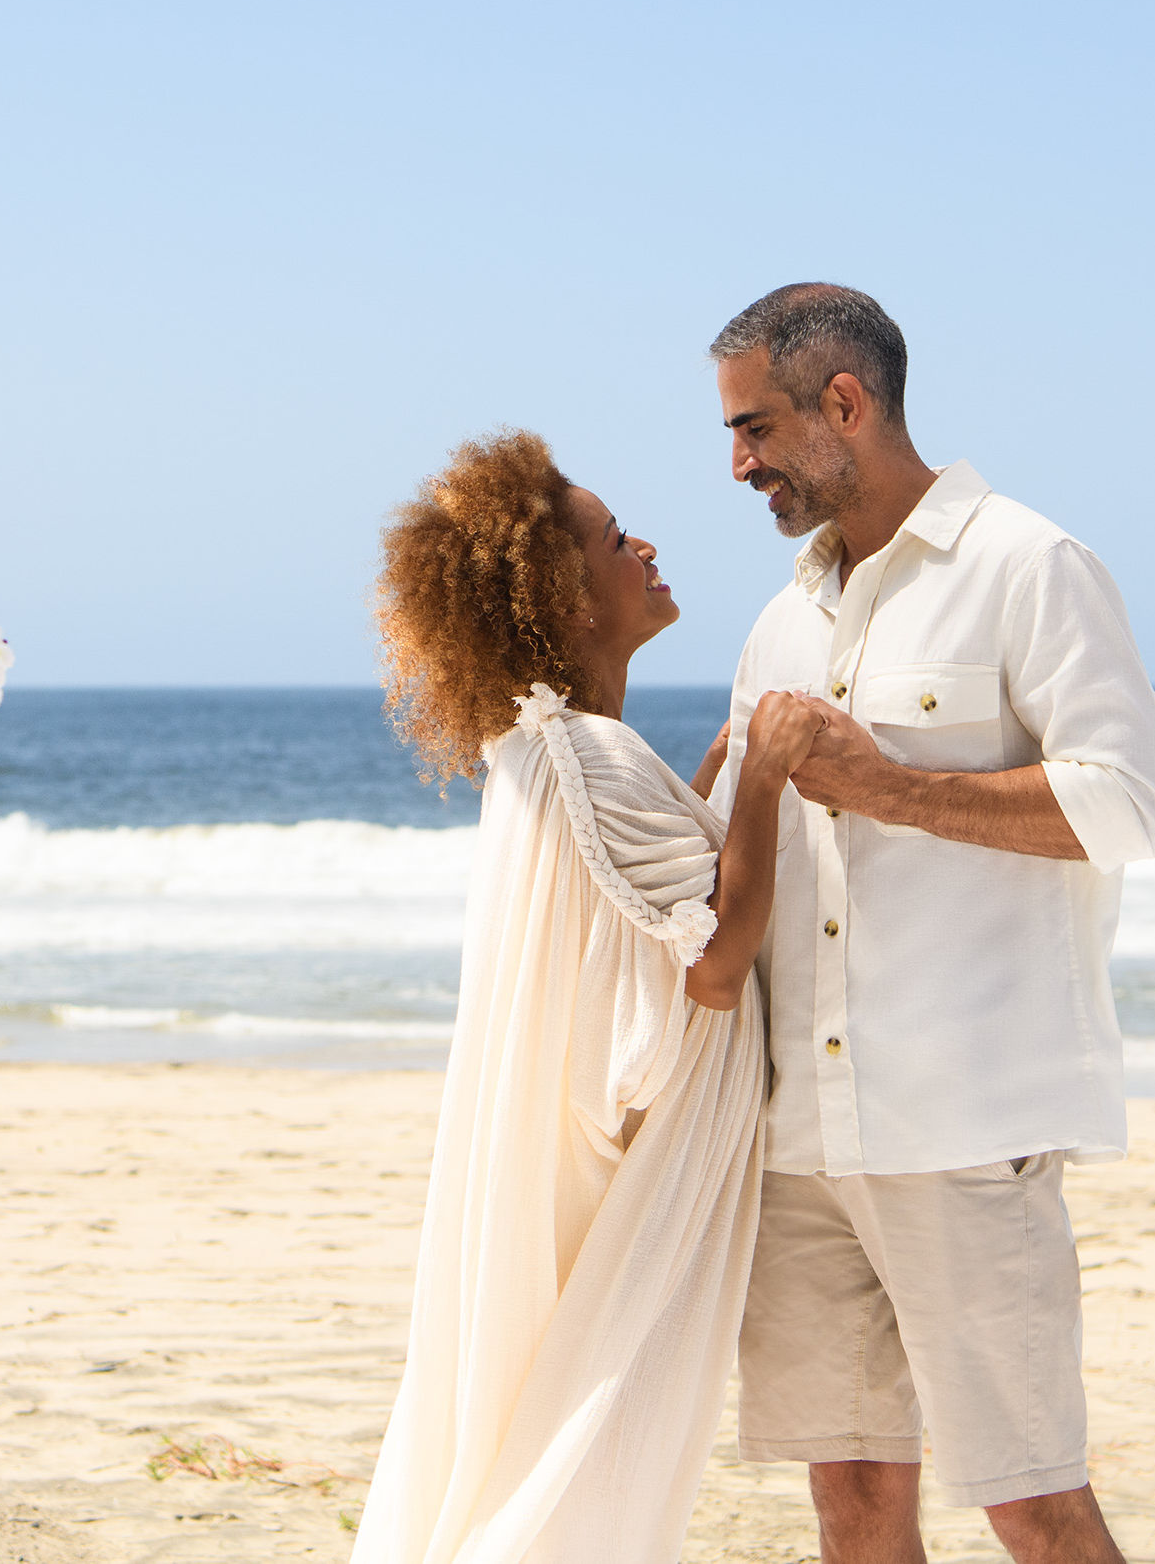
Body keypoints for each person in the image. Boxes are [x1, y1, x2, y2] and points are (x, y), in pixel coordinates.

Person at [705, 283, 1155, 1564]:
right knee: (851, 1504)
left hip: (965, 1131)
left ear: (843, 401)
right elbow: (748, 852)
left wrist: (890, 785)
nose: (736, 462)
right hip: (804, 1139)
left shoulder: (1031, 565)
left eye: (753, 427)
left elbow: (1128, 806)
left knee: (1033, 1501)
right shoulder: (780, 620)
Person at [350, 428, 823, 1564]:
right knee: (605, 1455)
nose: (645, 545)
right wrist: (764, 772)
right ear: (560, 588)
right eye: (616, 539)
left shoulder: (549, 749)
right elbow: (710, 962)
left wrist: (711, 786)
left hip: (643, 1163)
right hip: (664, 1183)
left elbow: (626, 918)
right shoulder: (589, 752)